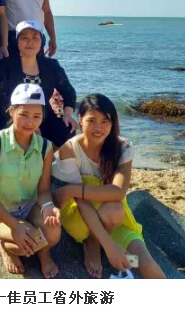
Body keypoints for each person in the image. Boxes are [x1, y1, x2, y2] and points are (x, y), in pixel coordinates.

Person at [52, 94, 167, 279]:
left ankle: (113, 251)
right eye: (91, 120)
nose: (98, 128)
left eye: (105, 121)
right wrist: (109, 246)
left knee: (147, 266)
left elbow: (118, 192)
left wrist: (72, 189)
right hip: (81, 217)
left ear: (113, 122)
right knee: (110, 213)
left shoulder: (122, 148)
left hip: (114, 220)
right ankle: (92, 244)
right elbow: (81, 201)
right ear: (80, 119)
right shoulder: (70, 149)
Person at [0, 83, 61, 278]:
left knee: (53, 232)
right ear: (11, 111)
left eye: (36, 116)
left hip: (29, 207)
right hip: (0, 211)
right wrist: (14, 226)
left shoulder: (45, 147)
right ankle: (5, 247)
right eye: (24, 114)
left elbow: (43, 190)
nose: (30, 122)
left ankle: (44, 254)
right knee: (26, 243)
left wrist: (48, 206)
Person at [0, 20, 78, 148]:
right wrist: (28, 125)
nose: (30, 41)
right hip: (11, 118)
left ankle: (51, 159)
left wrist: (67, 115)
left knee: (67, 128)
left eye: (35, 37)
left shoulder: (51, 66)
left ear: (41, 41)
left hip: (42, 117)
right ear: (17, 42)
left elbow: (68, 91)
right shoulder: (5, 66)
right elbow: (1, 103)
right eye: (24, 38)